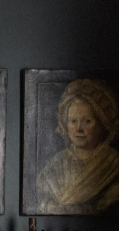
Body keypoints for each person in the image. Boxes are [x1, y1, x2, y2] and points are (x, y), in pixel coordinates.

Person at [37, 78, 119, 214]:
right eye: (73, 121)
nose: (79, 129)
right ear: (65, 125)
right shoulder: (55, 164)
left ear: (102, 125)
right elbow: (41, 200)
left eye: (87, 121)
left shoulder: (113, 163)